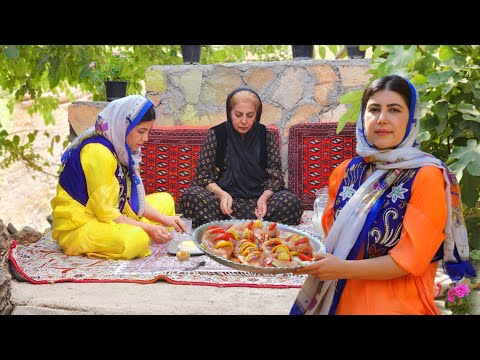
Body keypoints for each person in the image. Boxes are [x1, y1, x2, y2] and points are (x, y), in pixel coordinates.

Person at [290, 75, 476, 315]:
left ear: (411, 118)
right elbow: (332, 241)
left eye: (394, 110)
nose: (382, 119)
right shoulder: (347, 171)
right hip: (336, 300)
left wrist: (340, 269)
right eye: (374, 109)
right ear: (362, 116)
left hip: (398, 305)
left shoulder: (427, 176)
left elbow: (410, 260)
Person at [51, 95, 186, 260]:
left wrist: (165, 219)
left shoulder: (120, 147)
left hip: (115, 213)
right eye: (141, 132)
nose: (146, 139)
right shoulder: (98, 152)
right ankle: (142, 234)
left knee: (165, 201)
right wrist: (147, 228)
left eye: (148, 132)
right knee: (135, 239)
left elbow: (130, 199)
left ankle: (145, 231)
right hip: (81, 225)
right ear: (124, 126)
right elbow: (106, 214)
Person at [180, 87, 303, 228]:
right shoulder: (216, 135)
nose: (244, 121)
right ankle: (258, 227)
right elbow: (203, 176)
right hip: (223, 204)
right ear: (229, 112)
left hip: (259, 203)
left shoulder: (266, 137)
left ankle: (226, 226)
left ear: (257, 115)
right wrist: (221, 195)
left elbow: (274, 177)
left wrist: (264, 198)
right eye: (238, 115)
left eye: (250, 115)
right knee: (191, 196)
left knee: (291, 202)